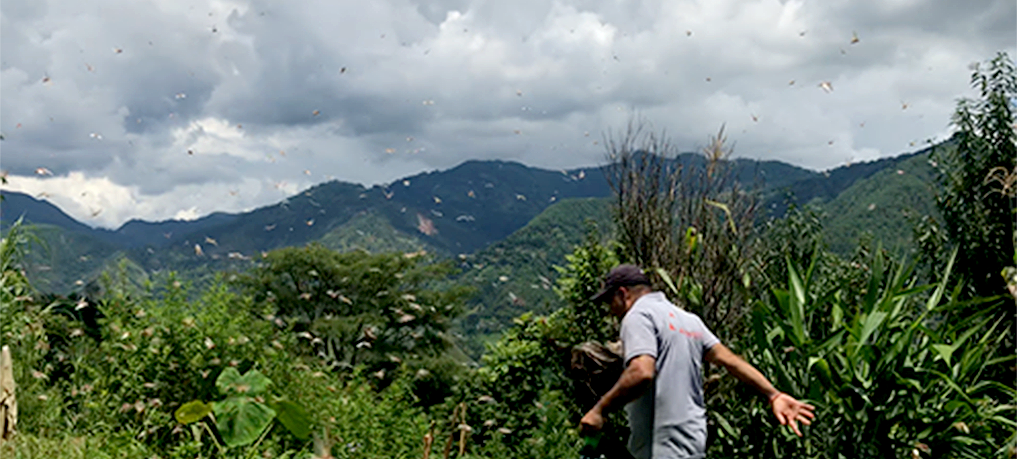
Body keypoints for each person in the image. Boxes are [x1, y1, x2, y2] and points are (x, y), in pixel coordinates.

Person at [579, 264, 816, 459]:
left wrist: (600, 410)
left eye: (610, 302)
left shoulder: (637, 316)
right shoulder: (688, 320)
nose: (611, 311)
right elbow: (731, 362)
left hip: (661, 449)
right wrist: (773, 394)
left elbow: (642, 371)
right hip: (692, 446)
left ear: (623, 293)